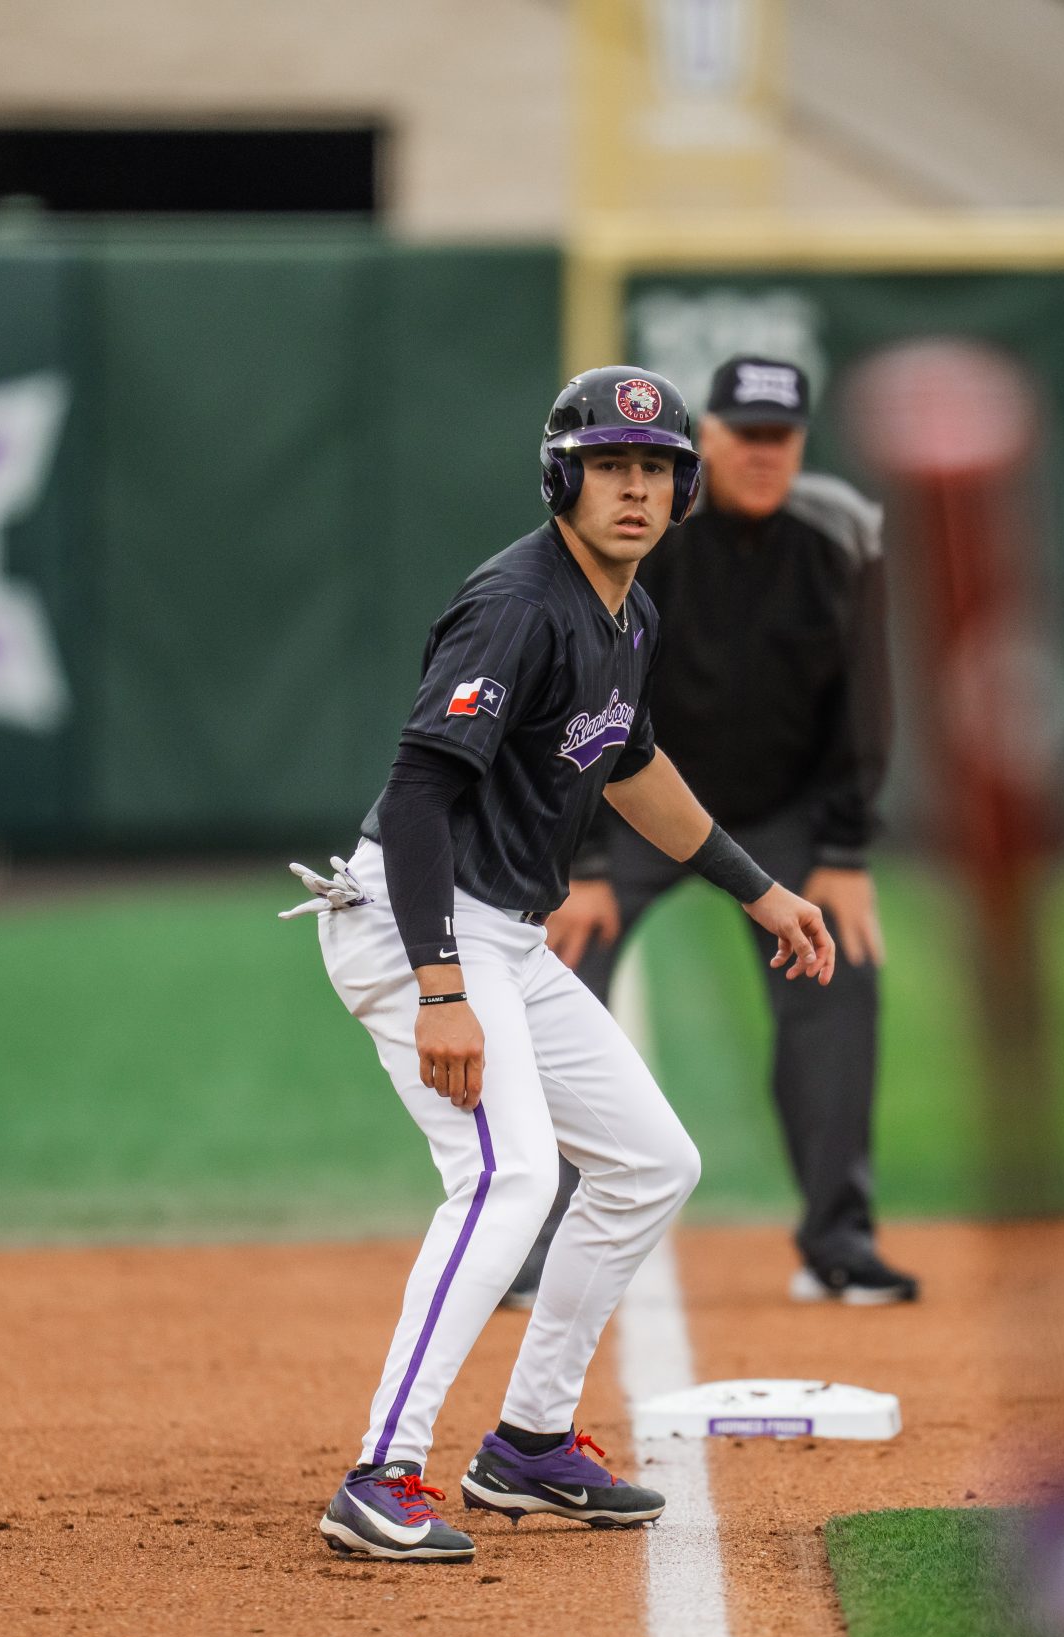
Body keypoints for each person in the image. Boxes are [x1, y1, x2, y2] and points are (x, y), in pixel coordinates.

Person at [286, 365, 836, 1565]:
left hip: (505, 934)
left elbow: (630, 763)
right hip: (415, 918)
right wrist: (438, 986)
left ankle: (528, 1444)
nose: (635, 489)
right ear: (563, 479)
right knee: (507, 1178)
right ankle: (379, 1473)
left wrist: (761, 891)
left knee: (649, 1162)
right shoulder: (517, 605)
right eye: (611, 467)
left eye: (656, 470)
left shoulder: (629, 612)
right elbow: (424, 792)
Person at [508, 353, 912, 1310]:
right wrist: (589, 859)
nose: (764, 453)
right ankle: (538, 1244)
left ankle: (839, 1241)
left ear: (801, 443)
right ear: (709, 442)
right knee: (558, 963)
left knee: (838, 967)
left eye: (782, 436)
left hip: (783, 809)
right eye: (743, 434)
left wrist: (846, 856)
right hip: (633, 800)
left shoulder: (840, 532)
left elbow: (869, 703)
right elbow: (585, 693)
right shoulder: (650, 527)